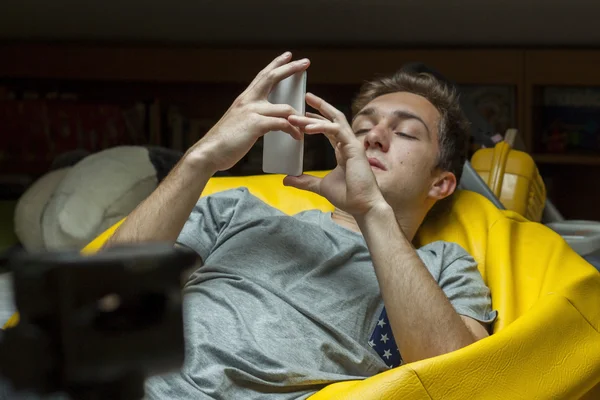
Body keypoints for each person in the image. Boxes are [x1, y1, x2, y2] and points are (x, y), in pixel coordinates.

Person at [104, 52, 497, 399]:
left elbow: (458, 383)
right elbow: (108, 290)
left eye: (405, 132)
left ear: (441, 183)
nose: (374, 137)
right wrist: (202, 158)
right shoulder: (236, 210)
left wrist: (372, 211)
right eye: (360, 128)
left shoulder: (444, 265)